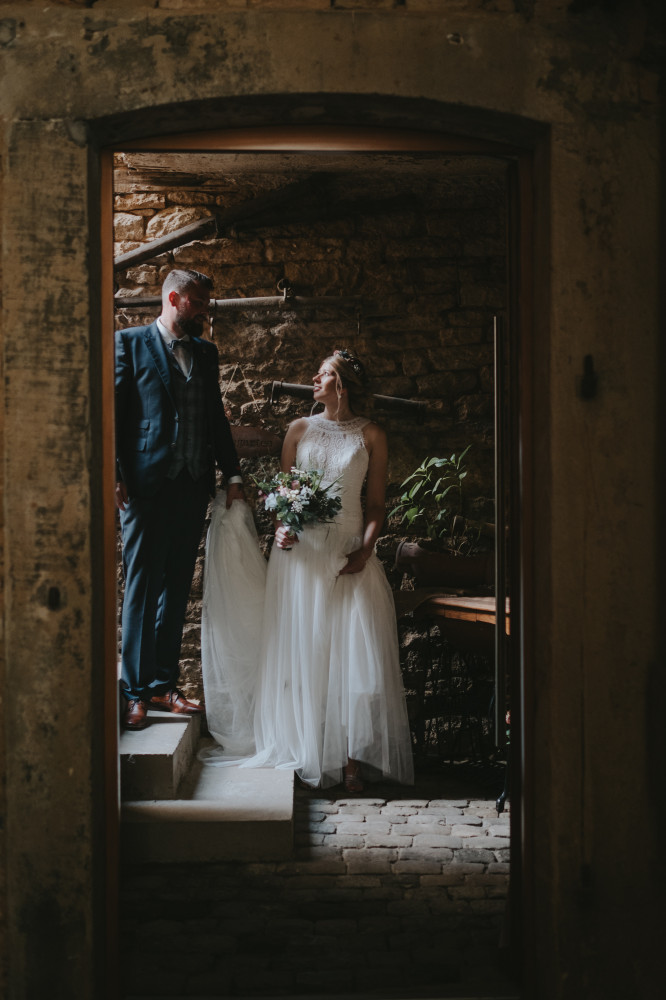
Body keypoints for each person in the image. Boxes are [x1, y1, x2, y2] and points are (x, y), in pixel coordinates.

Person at [202, 349, 413, 791]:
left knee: (351, 657)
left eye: (323, 374)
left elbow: (376, 505)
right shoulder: (298, 430)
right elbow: (285, 496)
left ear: (343, 384)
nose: (314, 379)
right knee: (303, 652)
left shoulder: (371, 435)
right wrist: (281, 530)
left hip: (347, 550)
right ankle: (304, 748)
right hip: (301, 553)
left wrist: (367, 549)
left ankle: (352, 761)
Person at [115, 268, 244, 731]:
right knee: (141, 589)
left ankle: (164, 686)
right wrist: (114, 474)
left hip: (192, 486)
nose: (206, 312)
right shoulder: (129, 343)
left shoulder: (206, 354)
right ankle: (134, 692)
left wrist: (231, 474)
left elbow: (214, 416)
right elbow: (112, 414)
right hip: (146, 488)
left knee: (175, 588)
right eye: (199, 304)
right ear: (174, 298)